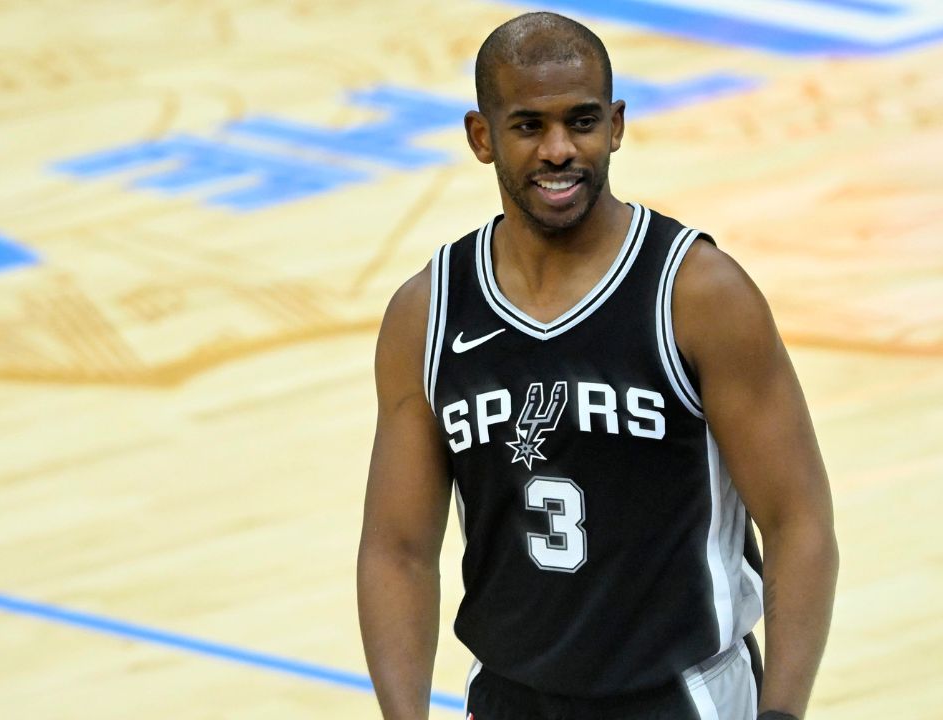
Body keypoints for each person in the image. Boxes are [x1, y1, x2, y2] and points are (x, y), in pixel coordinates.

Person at [357, 11, 838, 720]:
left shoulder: (697, 293)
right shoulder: (427, 314)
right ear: (481, 137)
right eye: (528, 126)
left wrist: (782, 714)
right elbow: (396, 550)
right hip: (508, 700)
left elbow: (800, 522)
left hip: (680, 696)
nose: (559, 150)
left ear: (615, 125)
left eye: (581, 122)